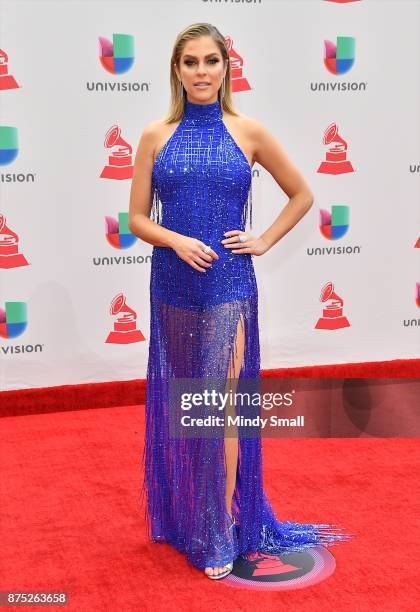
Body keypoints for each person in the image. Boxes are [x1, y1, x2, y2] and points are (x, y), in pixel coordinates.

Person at [128, 22, 354, 580]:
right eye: (190, 62)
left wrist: (263, 240)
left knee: (219, 414)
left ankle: (217, 529)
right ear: (176, 70)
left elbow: (302, 194)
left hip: (229, 285)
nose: (201, 72)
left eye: (211, 61)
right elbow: (134, 219)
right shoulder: (155, 135)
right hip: (173, 284)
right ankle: (192, 518)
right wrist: (175, 239)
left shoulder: (248, 131)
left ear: (227, 67)